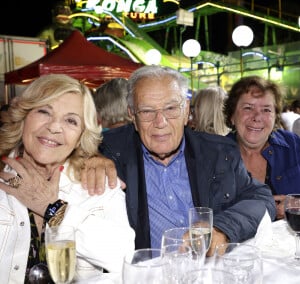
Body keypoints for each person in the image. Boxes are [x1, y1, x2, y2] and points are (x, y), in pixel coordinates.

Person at [98, 65, 276, 256]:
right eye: (147, 111)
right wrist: (87, 158)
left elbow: (261, 198)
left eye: (171, 108)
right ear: (132, 116)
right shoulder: (108, 151)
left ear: (186, 111)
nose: (160, 122)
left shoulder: (218, 152)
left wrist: (222, 229)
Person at [0, 74, 135, 283]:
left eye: (71, 120)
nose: (54, 127)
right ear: (24, 116)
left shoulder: (99, 183)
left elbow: (124, 257)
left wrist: (52, 208)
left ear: (81, 134)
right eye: (44, 111)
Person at [223, 75, 300, 220]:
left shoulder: (294, 145)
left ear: (275, 116)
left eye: (266, 110)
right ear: (232, 115)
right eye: (248, 108)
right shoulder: (214, 156)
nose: (257, 117)